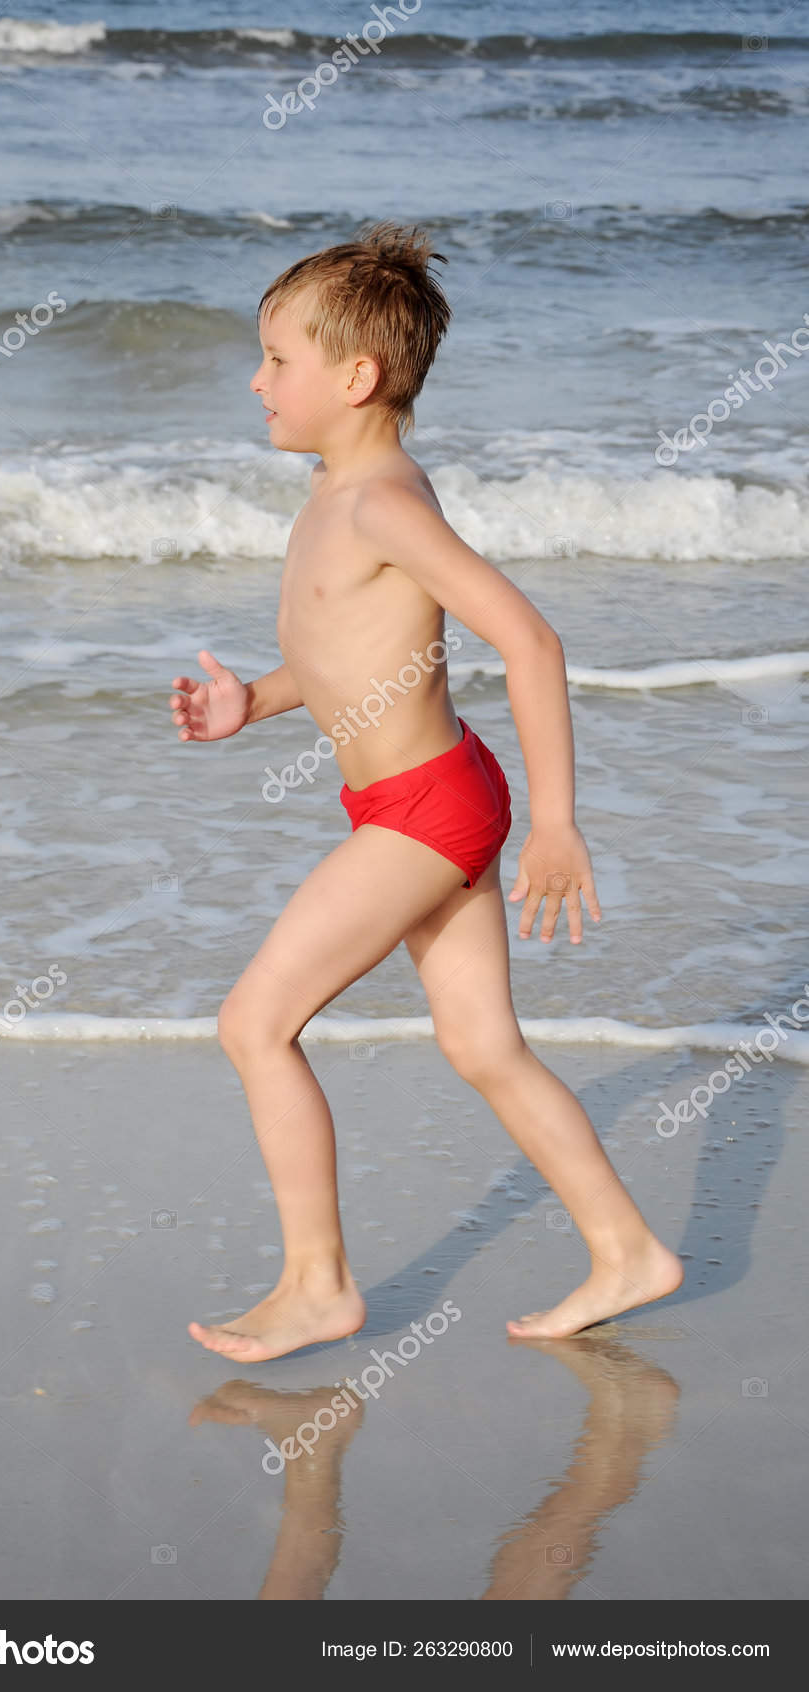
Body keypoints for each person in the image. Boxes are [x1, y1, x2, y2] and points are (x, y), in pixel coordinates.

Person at [169, 222, 683, 1363]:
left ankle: (319, 1283)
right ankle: (626, 1249)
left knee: (254, 1022)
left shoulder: (382, 502)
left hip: (428, 808)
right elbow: (357, 654)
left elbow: (530, 640)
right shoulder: (342, 490)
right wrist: (252, 701)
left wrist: (556, 822)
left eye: (276, 359)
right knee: (484, 1044)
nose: (256, 379)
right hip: (422, 796)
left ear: (354, 379)